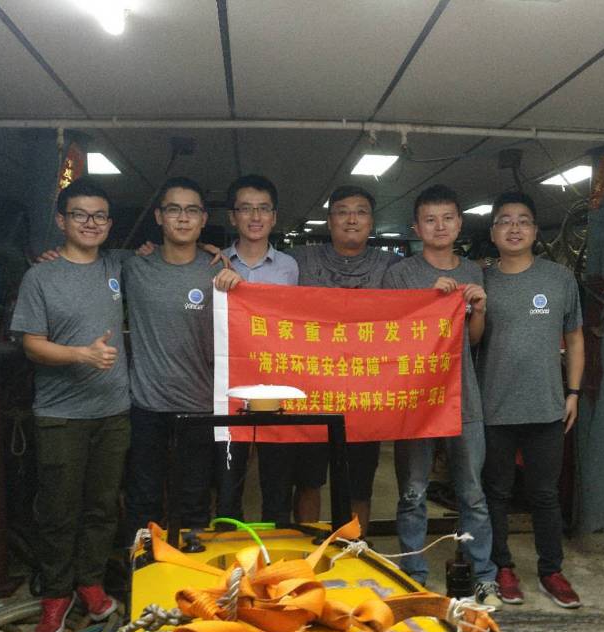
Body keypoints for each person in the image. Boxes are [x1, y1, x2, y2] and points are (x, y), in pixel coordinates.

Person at [10, 178, 128, 632]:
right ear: (62, 221)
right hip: (61, 415)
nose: (90, 223)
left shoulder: (117, 266)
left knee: (102, 507)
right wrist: (82, 354)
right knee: (59, 510)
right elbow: (31, 345)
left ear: (109, 224)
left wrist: (218, 254)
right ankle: (56, 595)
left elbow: (167, 256)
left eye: (99, 216)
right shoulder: (40, 276)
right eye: (80, 214)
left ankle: (91, 584)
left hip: (113, 411)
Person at [381, 184, 499, 605]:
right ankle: (414, 573)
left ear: (460, 224)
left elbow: (473, 339)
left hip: (463, 396)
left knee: (472, 493)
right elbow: (388, 335)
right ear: (416, 228)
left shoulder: (473, 272)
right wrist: (428, 301)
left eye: (447, 218)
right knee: (413, 493)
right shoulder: (399, 275)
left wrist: (478, 309)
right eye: (430, 220)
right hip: (416, 401)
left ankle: (481, 575)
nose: (439, 226)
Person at [478, 190, 585, 609]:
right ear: (493, 233)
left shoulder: (559, 279)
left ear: (536, 231)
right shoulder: (481, 280)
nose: (514, 228)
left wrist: (573, 392)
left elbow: (575, 338)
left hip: (546, 405)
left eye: (523, 220)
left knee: (545, 494)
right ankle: (501, 567)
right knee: (497, 492)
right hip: (493, 406)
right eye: (505, 221)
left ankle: (551, 571)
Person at [121, 177, 241, 544]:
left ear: (203, 219)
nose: (183, 218)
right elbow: (85, 259)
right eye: (174, 209)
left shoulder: (220, 272)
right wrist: (50, 255)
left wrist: (233, 277)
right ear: (159, 217)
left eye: (192, 211)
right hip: (147, 406)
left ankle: (190, 571)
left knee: (194, 502)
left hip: (200, 406)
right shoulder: (133, 266)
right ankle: (143, 568)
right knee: (144, 499)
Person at [286, 185, 399, 531]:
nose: (352, 219)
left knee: (359, 486)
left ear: (372, 221)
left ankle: (355, 550)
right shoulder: (299, 261)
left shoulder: (393, 267)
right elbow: (259, 279)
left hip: (366, 397)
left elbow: (418, 311)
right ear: (329, 219)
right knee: (307, 481)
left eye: (361, 211)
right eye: (342, 211)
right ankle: (309, 549)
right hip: (311, 394)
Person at [216, 175, 300, 526]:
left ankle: (274, 552)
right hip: (228, 387)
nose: (255, 216)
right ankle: (228, 550)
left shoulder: (290, 267)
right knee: (227, 484)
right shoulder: (214, 262)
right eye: (245, 208)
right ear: (232, 216)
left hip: (274, 386)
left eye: (263, 209)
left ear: (274, 217)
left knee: (277, 484)